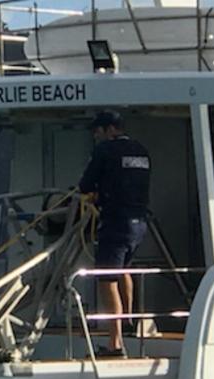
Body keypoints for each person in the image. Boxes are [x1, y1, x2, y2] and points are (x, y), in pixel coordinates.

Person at [78, 110, 151, 357]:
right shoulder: (141, 150)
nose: (96, 136)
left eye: (98, 131)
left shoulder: (105, 151)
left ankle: (115, 343)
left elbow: (85, 185)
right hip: (139, 223)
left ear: (110, 129)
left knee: (106, 278)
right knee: (124, 270)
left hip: (115, 222)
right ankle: (129, 323)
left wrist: (94, 194)